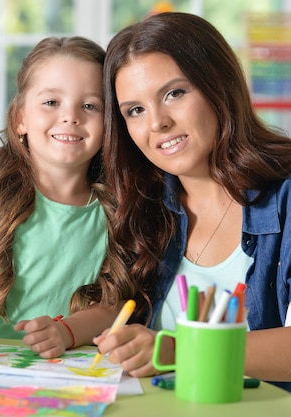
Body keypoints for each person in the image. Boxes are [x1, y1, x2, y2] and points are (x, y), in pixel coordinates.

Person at [87, 12, 291, 391]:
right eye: (135, 110)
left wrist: (181, 349)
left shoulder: (287, 197)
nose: (157, 123)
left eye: (174, 93)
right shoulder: (141, 206)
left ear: (219, 86)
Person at [0, 36, 120, 358]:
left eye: (90, 105)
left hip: (77, 366)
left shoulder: (118, 204)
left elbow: (113, 305)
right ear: (20, 119)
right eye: (51, 102)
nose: (70, 116)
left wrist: (65, 332)